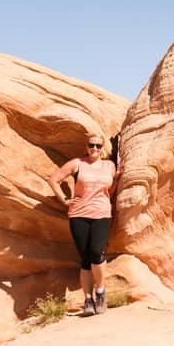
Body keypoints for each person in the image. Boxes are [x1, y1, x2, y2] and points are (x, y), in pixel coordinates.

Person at [46, 133, 118, 316]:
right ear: (86, 147)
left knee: (96, 252)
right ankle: (88, 299)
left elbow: (110, 189)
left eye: (98, 146)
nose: (94, 149)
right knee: (85, 259)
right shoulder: (77, 163)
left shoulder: (109, 166)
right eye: (91, 145)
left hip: (101, 214)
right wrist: (64, 200)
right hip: (78, 215)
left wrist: (118, 177)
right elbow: (54, 179)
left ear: (103, 149)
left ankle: (100, 291)